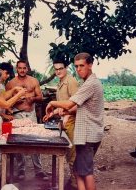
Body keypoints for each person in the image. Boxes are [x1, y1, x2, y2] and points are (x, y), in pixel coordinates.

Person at [44, 52, 104, 190]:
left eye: (82, 65)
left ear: (90, 65)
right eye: (76, 66)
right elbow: (79, 108)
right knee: (79, 170)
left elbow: (70, 104)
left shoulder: (90, 84)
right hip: (87, 133)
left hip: (88, 135)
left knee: (86, 172)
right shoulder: (88, 83)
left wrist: (52, 103)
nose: (79, 69)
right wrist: (56, 111)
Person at [6, 60, 49, 181]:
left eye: (24, 68)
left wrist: (32, 98)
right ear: (16, 69)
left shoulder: (33, 81)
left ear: (27, 69)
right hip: (17, 115)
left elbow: (40, 97)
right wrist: (16, 100)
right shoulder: (11, 83)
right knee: (18, 141)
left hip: (31, 114)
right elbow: (6, 103)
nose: (22, 70)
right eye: (20, 68)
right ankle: (21, 169)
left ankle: (39, 170)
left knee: (36, 140)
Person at [51, 59, 79, 189]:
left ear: (66, 68)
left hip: (72, 121)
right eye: (56, 69)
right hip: (64, 120)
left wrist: (67, 114)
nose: (58, 71)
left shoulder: (71, 81)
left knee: (73, 154)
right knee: (67, 152)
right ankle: (73, 180)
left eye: (60, 69)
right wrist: (54, 112)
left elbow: (77, 105)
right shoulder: (61, 82)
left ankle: (76, 183)